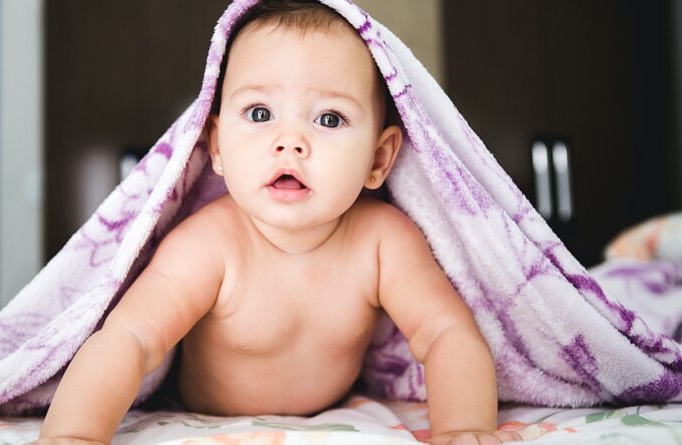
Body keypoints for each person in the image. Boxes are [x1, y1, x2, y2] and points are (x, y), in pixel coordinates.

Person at [35, 1, 523, 444]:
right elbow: (132, 340)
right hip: (206, 414)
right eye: (260, 112)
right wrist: (76, 435)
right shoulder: (209, 244)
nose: (290, 142)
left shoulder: (383, 241)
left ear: (378, 158)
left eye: (329, 119)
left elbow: (446, 333)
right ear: (219, 145)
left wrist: (464, 428)